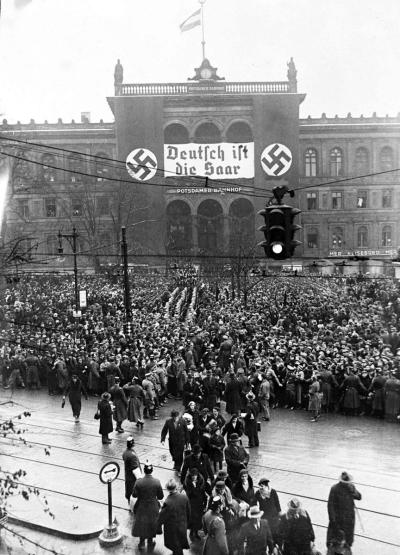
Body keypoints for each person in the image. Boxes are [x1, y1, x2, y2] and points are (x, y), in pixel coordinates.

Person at [132, 461, 164, 551]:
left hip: (141, 506)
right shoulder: (157, 482)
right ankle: (150, 541)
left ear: (144, 470)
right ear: (152, 470)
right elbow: (161, 496)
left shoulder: (139, 482)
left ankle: (142, 543)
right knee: (151, 523)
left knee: (142, 523)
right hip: (153, 507)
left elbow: (134, 495)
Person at [327, 472, 362, 549]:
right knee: (335, 542)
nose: (347, 484)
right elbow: (330, 506)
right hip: (338, 520)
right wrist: (333, 521)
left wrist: (353, 491)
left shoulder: (351, 487)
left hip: (349, 519)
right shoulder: (334, 489)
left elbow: (359, 497)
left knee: (348, 542)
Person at [157, 479, 191, 555]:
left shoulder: (168, 502)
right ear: (176, 487)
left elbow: (162, 517)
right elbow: (189, 511)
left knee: (175, 545)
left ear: (167, 489)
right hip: (182, 524)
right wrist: (187, 523)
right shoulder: (184, 497)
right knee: (180, 542)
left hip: (172, 528)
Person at [183, 467, 207, 541]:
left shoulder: (201, 482)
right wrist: (194, 486)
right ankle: (191, 532)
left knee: (198, 519)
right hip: (191, 504)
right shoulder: (188, 483)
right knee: (192, 519)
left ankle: (196, 533)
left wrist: (205, 503)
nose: (194, 477)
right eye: (193, 476)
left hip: (199, 503)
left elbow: (203, 493)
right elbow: (189, 493)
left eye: (195, 475)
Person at [255, 478, 281, 545]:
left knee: (275, 531)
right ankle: (271, 546)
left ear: (266, 485)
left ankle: (276, 545)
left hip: (274, 515)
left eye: (263, 485)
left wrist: (279, 513)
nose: (261, 487)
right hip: (264, 515)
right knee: (267, 532)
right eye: (260, 486)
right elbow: (254, 503)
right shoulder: (258, 493)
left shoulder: (273, 491)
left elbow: (277, 503)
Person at [122, 436, 141, 508]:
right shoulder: (132, 455)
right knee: (133, 492)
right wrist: (140, 479)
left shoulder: (125, 452)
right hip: (133, 478)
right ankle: (133, 507)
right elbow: (135, 469)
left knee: (129, 490)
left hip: (128, 476)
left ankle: (130, 505)